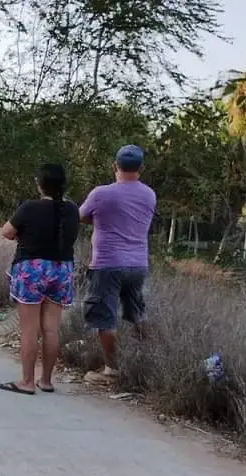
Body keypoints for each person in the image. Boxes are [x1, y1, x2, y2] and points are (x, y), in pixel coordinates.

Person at [0, 164, 81, 395]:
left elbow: (6, 232)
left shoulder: (29, 208)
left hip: (31, 269)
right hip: (61, 268)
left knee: (29, 329)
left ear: (39, 184)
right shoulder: (72, 210)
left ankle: (26, 381)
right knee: (51, 329)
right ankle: (46, 380)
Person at [79, 144, 157, 384]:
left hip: (107, 263)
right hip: (137, 264)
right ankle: (150, 361)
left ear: (115, 166)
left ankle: (111, 370)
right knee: (138, 313)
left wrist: (100, 220)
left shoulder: (101, 193)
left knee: (106, 317)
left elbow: (81, 216)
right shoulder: (149, 194)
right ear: (141, 168)